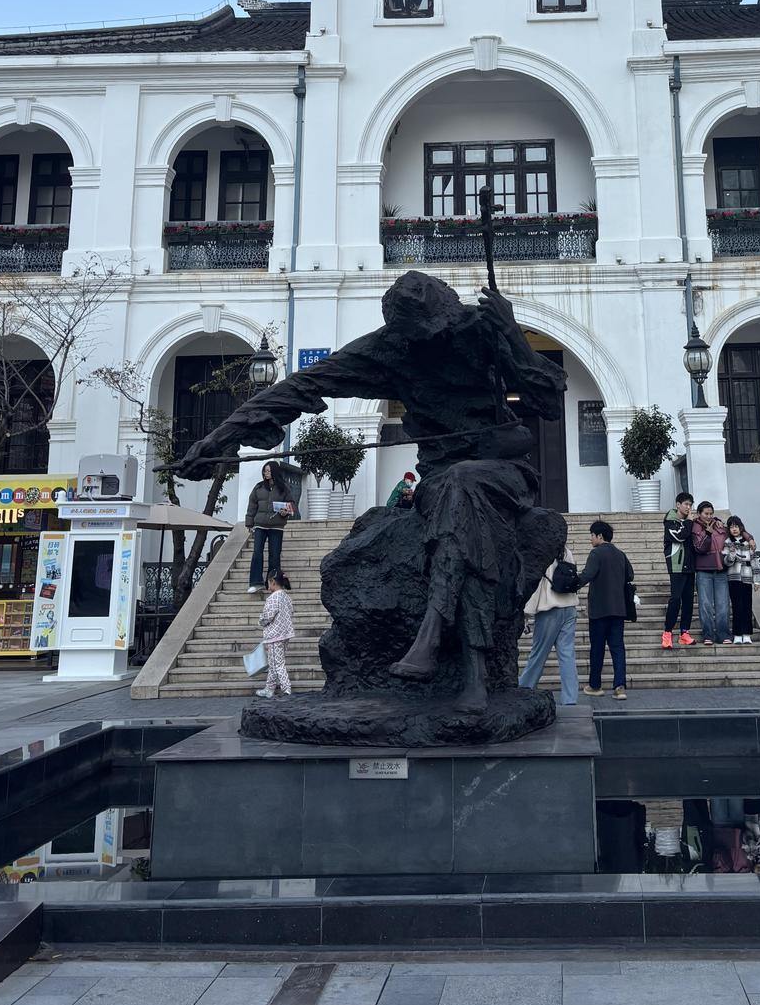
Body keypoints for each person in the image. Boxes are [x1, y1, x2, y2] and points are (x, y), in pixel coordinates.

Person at [172, 271, 566, 714]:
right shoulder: (389, 349)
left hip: (504, 474)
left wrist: (513, 336)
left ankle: (436, 637)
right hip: (442, 481)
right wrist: (218, 440)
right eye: (423, 338)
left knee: (463, 490)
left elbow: (549, 401)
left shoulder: (482, 330)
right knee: (460, 506)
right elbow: (302, 386)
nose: (434, 343)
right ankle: (471, 670)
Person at [576, 519, 634, 699]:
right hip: (618, 609)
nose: (591, 539)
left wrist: (570, 585)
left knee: (597, 648)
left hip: (599, 610)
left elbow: (587, 575)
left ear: (599, 536)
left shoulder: (596, 553)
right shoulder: (620, 554)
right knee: (618, 648)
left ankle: (595, 685)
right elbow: (630, 575)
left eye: (592, 535)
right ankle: (619, 687)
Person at [518, 552, 579, 705]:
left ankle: (524, 688)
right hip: (569, 606)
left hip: (549, 608)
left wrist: (526, 613)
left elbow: (536, 584)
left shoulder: (543, 551)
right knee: (567, 655)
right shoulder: (566, 552)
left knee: (538, 653)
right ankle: (570, 698)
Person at [245, 461, 296, 593]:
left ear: (274, 472)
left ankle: (273, 583)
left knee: (274, 555)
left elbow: (291, 504)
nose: (266, 473)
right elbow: (252, 505)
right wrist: (249, 523)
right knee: (257, 553)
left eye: (268, 471)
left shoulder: (284, 488)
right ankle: (256, 582)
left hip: (276, 526)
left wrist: (286, 512)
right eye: (265, 471)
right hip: (260, 525)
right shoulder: (259, 487)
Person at [690, 502, 729, 645]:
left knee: (723, 604)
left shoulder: (719, 525)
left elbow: (735, 532)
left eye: (711, 513)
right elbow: (700, 548)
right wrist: (708, 533)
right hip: (704, 571)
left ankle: (723, 634)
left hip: (721, 570)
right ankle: (708, 635)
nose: (709, 516)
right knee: (705, 604)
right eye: (706, 514)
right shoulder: (695, 527)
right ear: (699, 513)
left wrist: (749, 538)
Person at [662, 491, 696, 650]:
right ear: (678, 505)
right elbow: (679, 536)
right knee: (675, 599)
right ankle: (667, 633)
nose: (689, 507)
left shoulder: (690, 521)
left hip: (690, 565)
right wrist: (688, 522)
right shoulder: (670, 521)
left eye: (690, 505)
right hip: (676, 565)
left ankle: (684, 633)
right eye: (686, 504)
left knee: (688, 600)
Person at [256, 571, 295, 699]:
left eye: (268, 582)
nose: (267, 585)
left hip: (275, 635)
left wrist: (260, 620)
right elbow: (291, 612)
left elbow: (267, 617)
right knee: (274, 663)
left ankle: (286, 688)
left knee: (277, 664)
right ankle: (269, 688)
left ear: (272, 582)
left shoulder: (273, 598)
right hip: (285, 634)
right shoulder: (286, 597)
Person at [723, 515, 756, 644]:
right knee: (737, 606)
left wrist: (757, 580)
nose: (734, 529)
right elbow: (726, 562)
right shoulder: (727, 542)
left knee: (747, 606)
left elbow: (754, 561)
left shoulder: (748, 542)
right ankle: (737, 634)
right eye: (731, 527)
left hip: (747, 577)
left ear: (741, 527)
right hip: (734, 578)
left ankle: (747, 634)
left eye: (736, 526)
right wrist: (731, 554)